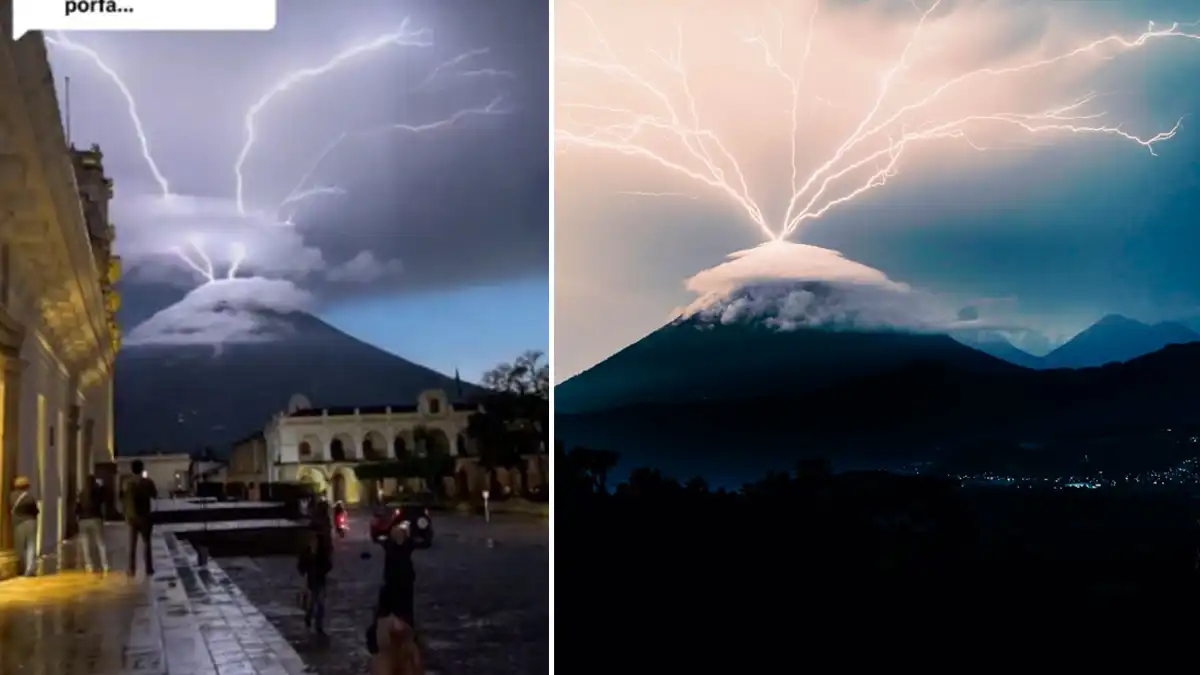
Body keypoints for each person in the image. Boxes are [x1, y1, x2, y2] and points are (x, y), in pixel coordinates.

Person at [367, 513, 424, 675]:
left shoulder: (400, 554)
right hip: (395, 610)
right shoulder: (395, 554)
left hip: (398, 610)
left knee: (402, 653)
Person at [122, 460, 158, 577]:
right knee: (147, 544)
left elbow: (121, 497)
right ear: (142, 469)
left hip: (131, 517)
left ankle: (131, 569)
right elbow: (154, 495)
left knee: (132, 544)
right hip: (144, 517)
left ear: (132, 469)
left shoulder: (126, 482)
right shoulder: (147, 482)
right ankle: (149, 568)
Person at [296, 529, 333, 636]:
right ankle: (308, 618)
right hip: (310, 581)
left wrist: (322, 570)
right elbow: (301, 566)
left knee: (320, 604)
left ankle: (318, 626)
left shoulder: (321, 553)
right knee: (311, 604)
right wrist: (305, 573)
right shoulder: (306, 552)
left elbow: (328, 565)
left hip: (320, 581)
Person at [75, 474, 109, 573]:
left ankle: (89, 565)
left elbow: (77, 507)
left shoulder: (82, 493)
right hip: (96, 518)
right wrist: (101, 486)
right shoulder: (97, 491)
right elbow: (103, 499)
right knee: (100, 542)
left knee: (85, 544)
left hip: (83, 520)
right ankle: (104, 564)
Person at [9, 477, 38, 577]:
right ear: (27, 486)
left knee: (20, 546)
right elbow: (36, 510)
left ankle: (22, 567)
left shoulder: (12, 496)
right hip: (30, 521)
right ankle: (29, 569)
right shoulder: (29, 497)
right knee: (31, 545)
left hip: (18, 523)